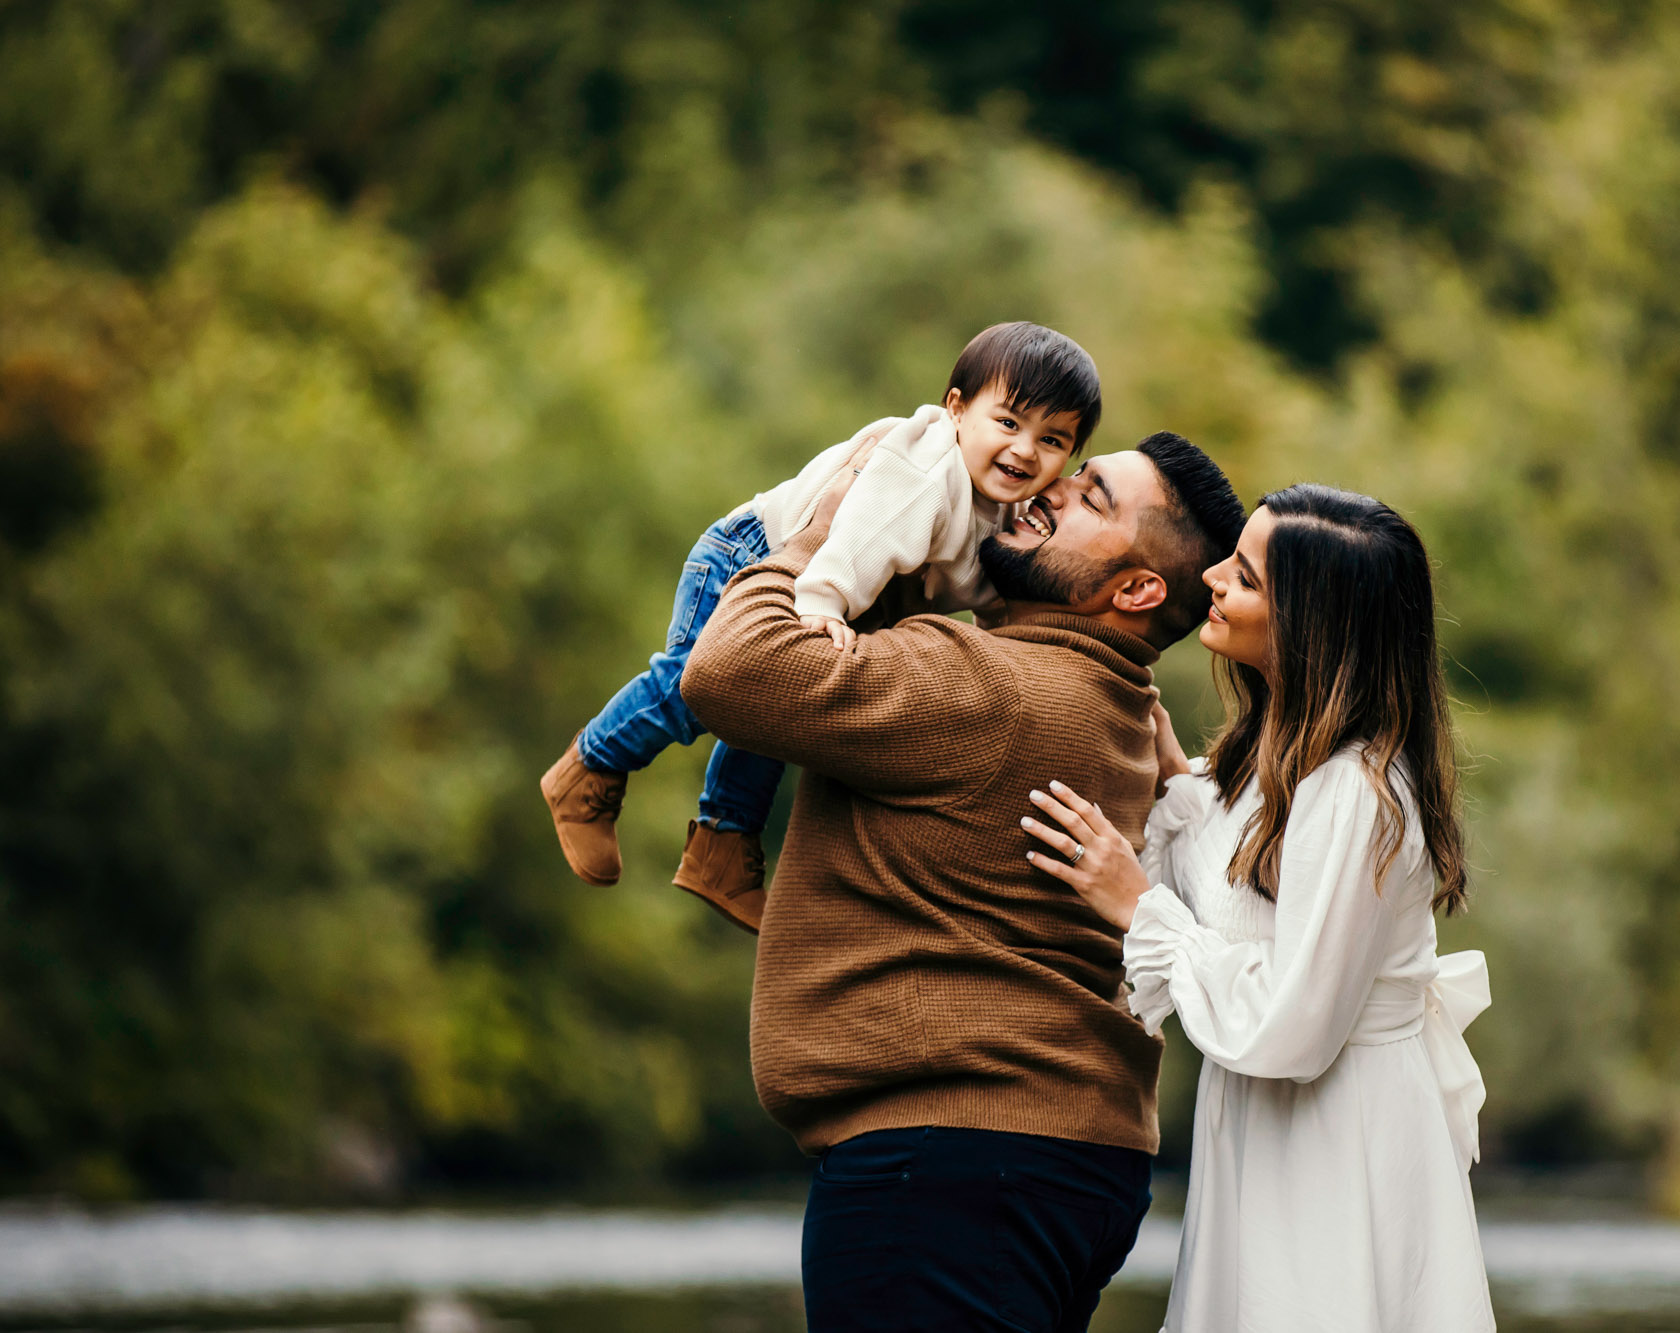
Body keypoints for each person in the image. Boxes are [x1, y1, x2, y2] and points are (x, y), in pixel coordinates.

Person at [677, 431, 1245, 1332]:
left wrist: (822, 533)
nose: (1049, 489)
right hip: (1045, 1156)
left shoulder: (985, 683)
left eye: (1090, 498)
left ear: (1137, 590)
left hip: (944, 1167)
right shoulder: (1125, 708)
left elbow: (729, 668)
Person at [1022, 484, 1497, 1332]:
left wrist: (1140, 910)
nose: (1209, 575)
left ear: (1308, 626)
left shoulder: (1358, 793)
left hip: (1334, 1144)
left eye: (1242, 575)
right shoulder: (1260, 768)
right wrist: (1164, 771)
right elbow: (1226, 879)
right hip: (1265, 1135)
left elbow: (1294, 1028)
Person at [539, 321, 1102, 928]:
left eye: (1053, 439)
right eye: (1009, 423)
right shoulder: (925, 464)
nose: (1024, 450)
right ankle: (591, 766)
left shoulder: (1007, 504)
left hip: (821, 585)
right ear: (957, 408)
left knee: (771, 714)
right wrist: (826, 600)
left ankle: (724, 845)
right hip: (754, 555)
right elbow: (866, 531)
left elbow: (990, 595)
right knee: (698, 683)